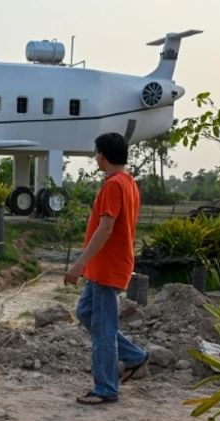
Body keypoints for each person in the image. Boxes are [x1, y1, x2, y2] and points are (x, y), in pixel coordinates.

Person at [65, 132, 150, 405]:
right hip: (105, 266)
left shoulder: (113, 185)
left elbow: (106, 228)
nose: (95, 158)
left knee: (103, 329)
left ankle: (105, 388)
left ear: (101, 155)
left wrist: (80, 263)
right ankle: (135, 356)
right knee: (86, 312)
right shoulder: (128, 183)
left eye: (96, 153)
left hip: (107, 267)